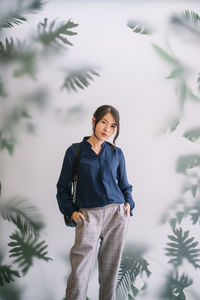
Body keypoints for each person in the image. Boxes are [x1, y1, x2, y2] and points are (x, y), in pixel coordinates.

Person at [56, 104, 135, 300]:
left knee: (110, 273)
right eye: (104, 123)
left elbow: (125, 186)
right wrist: (72, 213)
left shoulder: (117, 153)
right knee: (79, 272)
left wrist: (128, 204)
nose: (107, 129)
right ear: (94, 121)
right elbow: (62, 189)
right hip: (88, 215)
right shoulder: (74, 152)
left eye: (112, 126)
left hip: (116, 215)